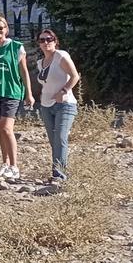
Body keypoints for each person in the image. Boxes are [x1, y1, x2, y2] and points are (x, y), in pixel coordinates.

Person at [0, 16, 35, 179]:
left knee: (7, 128)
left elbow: (24, 71)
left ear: (6, 29)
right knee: (0, 129)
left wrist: (29, 93)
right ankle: (5, 163)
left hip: (11, 91)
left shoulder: (16, 47)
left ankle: (14, 166)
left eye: (1, 28)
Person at [35, 29, 80, 180]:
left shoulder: (61, 56)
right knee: (53, 140)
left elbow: (75, 76)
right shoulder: (40, 63)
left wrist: (64, 91)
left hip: (65, 104)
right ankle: (57, 169)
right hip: (46, 105)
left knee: (60, 137)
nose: (46, 42)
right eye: (42, 40)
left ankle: (60, 173)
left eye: (49, 39)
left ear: (55, 41)